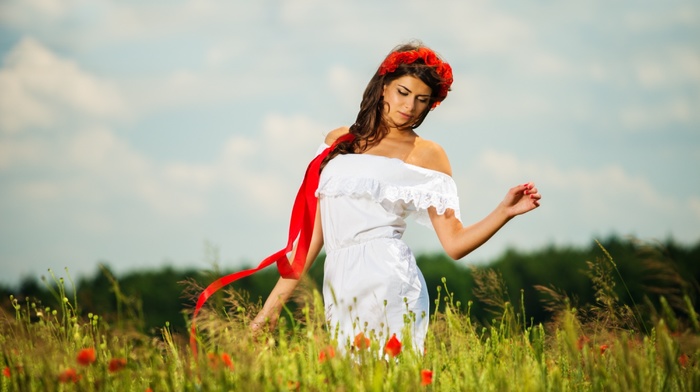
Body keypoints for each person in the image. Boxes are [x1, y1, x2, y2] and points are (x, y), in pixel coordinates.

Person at [249, 41, 541, 353]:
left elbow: (454, 243)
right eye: (403, 92)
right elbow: (309, 242)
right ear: (384, 87)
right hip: (339, 281)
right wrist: (269, 310)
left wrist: (504, 212)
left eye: (421, 100)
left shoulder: (427, 154)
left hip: (389, 279)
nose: (410, 106)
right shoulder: (339, 142)